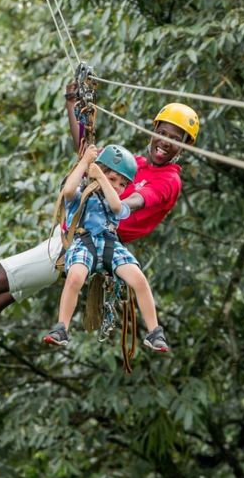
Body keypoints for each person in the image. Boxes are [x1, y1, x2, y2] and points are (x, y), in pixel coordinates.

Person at [0, 86, 199, 419]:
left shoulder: (168, 180)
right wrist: (73, 103)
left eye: (176, 139)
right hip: (72, 240)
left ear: (184, 147)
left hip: (78, 246)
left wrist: (105, 186)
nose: (165, 141)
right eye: (162, 133)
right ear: (153, 130)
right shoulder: (136, 164)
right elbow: (86, 153)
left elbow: (132, 203)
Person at [42, 143, 168, 352]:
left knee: (139, 279)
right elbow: (68, 190)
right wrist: (85, 162)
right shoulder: (81, 195)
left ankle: (154, 331)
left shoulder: (117, 202)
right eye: (113, 179)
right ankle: (62, 327)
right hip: (84, 242)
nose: (117, 186)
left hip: (110, 245)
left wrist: (101, 177)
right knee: (75, 277)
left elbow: (116, 206)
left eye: (122, 184)